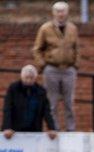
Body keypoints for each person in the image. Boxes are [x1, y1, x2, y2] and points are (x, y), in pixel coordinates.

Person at [32, 1, 79, 131]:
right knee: (51, 102)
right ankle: (54, 129)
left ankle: (71, 129)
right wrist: (43, 66)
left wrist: (75, 65)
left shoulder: (73, 28)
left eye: (63, 11)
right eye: (58, 11)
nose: (60, 14)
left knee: (69, 102)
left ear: (67, 12)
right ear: (53, 13)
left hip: (69, 69)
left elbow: (76, 48)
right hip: (51, 69)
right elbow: (37, 49)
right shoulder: (45, 28)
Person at [2, 65, 57, 140]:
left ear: (35, 78)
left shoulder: (41, 91)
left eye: (31, 78)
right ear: (22, 77)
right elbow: (7, 108)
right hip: (14, 131)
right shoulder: (13, 88)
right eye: (26, 77)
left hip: (34, 130)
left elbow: (46, 111)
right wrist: (7, 127)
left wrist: (52, 128)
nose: (28, 80)